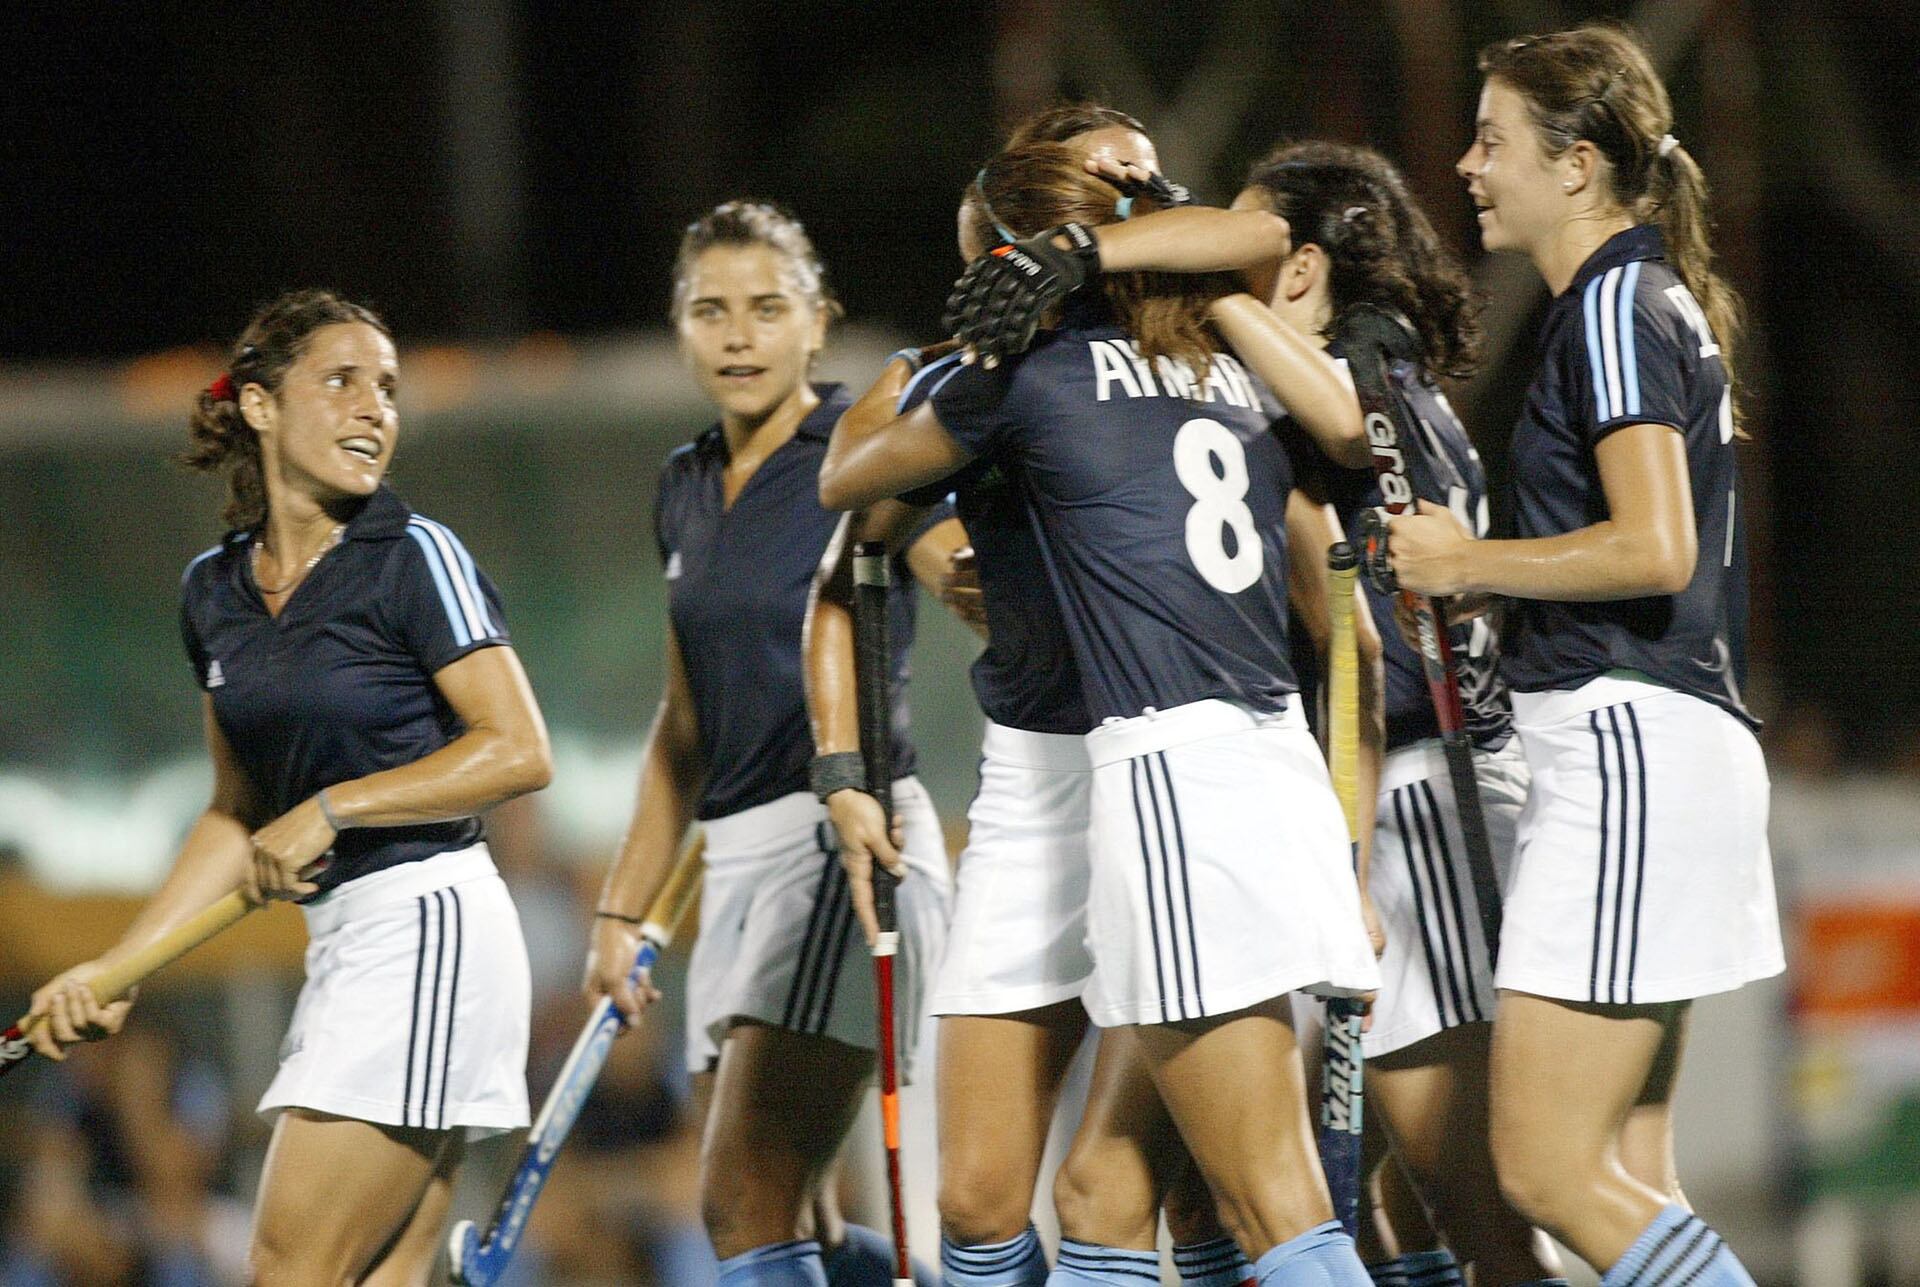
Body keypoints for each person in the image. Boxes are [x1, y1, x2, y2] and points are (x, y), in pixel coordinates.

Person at [819, 141, 1384, 1286]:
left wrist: (957, 358)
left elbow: (843, 478)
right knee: (1083, 1192)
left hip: (1172, 775)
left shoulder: (1025, 380)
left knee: (1266, 1199)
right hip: (1256, 761)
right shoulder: (1236, 365)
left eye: (982, 259)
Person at [20, 288, 553, 1283]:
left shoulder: (413, 555)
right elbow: (236, 813)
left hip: (428, 925)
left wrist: (336, 808)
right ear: (260, 406)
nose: (374, 409)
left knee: (288, 1271)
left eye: (388, 389)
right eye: (341, 381)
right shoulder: (210, 593)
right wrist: (119, 970)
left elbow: (519, 750)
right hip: (345, 945)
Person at [1385, 23, 1779, 1285]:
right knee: (1629, 1183)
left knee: (1547, 1171)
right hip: (1669, 747)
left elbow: (1654, 546)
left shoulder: (1612, 301)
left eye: (1493, 140)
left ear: (1577, 165)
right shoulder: (1643, 296)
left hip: (1628, 751)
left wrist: (1468, 565)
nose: (1465, 163)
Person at [583, 200, 963, 1287]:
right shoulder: (686, 484)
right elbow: (682, 725)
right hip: (734, 868)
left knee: (740, 1202)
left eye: (765, 308)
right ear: (680, 329)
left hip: (842, 849)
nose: (737, 335)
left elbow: (957, 566)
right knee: (802, 1224)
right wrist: (620, 910)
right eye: (710, 311)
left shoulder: (861, 451)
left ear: (817, 321)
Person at [1235, 140, 1562, 1286]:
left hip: (1419, 798)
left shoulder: (1362, 366)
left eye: (1245, 248)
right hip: (1405, 790)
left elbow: (1338, 432)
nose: (1221, 264)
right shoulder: (1400, 381)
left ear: (1305, 269)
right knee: (1355, 1202)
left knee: (1473, 1210)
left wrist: (1213, 293)